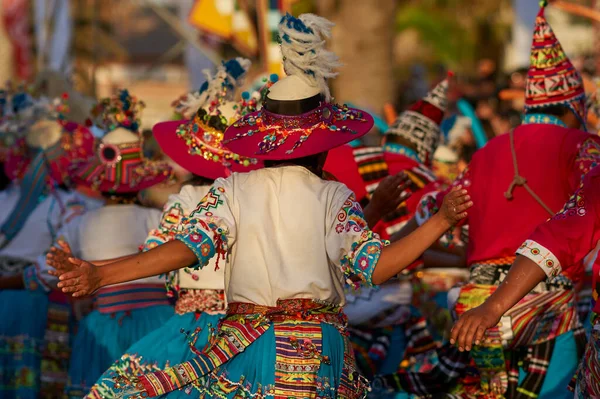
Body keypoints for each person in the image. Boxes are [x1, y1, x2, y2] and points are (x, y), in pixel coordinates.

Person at [48, 13, 471, 398]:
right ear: (323, 148)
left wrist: (102, 274)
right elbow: (376, 267)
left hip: (244, 347)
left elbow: (187, 248)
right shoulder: (332, 195)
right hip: (316, 352)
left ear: (265, 142)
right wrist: (441, 219)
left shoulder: (233, 190)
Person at [380, 3, 600, 398]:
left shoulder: (486, 152)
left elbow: (434, 212)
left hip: (473, 302)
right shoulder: (583, 146)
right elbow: (578, 221)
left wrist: (390, 254)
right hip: (545, 306)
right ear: (572, 109)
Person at [83, 58, 265, 398]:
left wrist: (99, 271)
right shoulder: (249, 196)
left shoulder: (185, 198)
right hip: (242, 327)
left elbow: (160, 253)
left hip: (190, 326)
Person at [57, 90, 176, 398]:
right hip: (156, 321)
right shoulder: (158, 218)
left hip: (104, 322)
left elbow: (57, 268)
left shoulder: (78, 224)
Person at [450, 165, 600, 398]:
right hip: (543, 303)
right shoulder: (583, 147)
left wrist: (494, 306)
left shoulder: (481, 159)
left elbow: (434, 205)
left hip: (484, 297)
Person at [0, 91, 99, 399]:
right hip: (25, 298)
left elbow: (58, 263)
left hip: (30, 300)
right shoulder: (65, 204)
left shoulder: (66, 205)